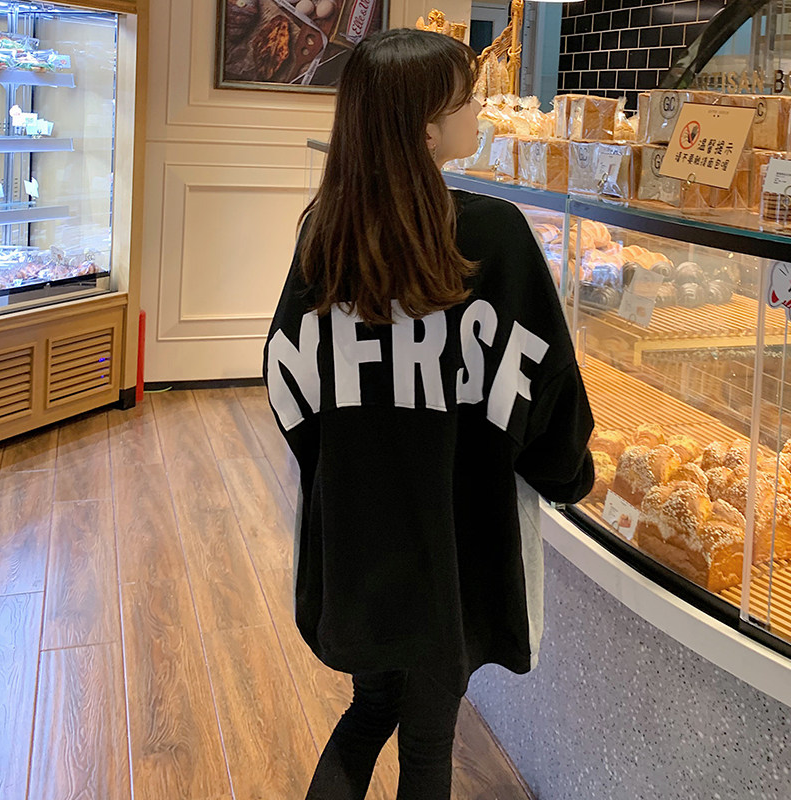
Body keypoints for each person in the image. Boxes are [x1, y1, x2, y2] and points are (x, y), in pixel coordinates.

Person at [264, 28, 594, 800]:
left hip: (360, 534)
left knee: (369, 707)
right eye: (467, 98)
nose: (481, 109)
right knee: (428, 744)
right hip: (456, 539)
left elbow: (288, 387)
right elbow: (547, 389)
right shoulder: (494, 234)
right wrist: (568, 475)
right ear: (426, 132)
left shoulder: (326, 231)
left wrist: (344, 464)